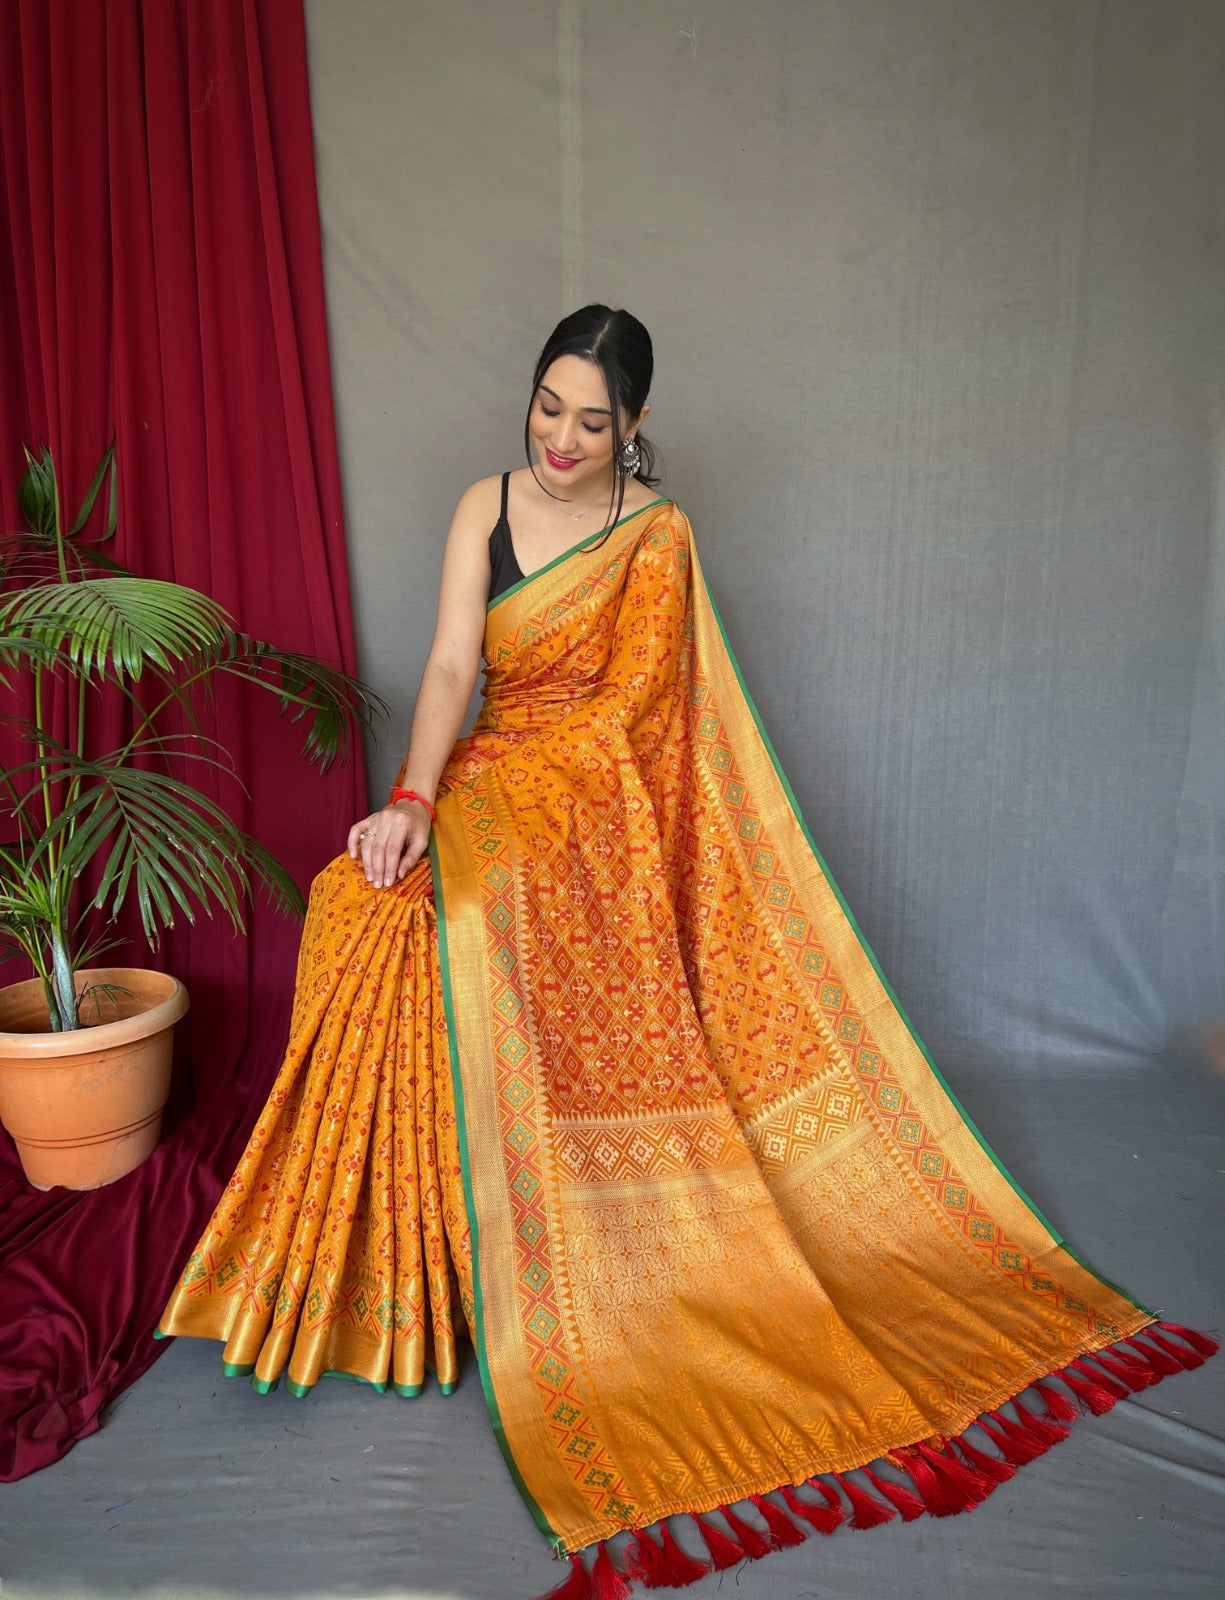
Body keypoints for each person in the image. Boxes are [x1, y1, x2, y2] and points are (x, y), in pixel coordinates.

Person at [159, 305, 1214, 1599]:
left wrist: (521, 828)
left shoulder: (654, 537)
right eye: (546, 407)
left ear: (634, 428)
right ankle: (389, 1275)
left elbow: (632, 722)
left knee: (476, 916)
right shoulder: (482, 506)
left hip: (593, 805)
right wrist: (414, 803)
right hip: (485, 776)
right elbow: (447, 669)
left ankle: (495, 1263)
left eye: (590, 420)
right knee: (360, 903)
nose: (558, 438)